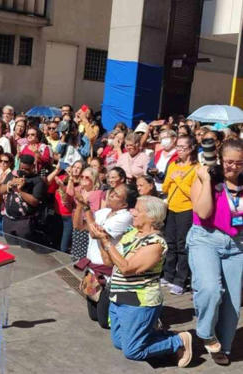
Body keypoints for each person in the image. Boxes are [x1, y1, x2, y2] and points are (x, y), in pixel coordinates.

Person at [92, 195, 192, 367]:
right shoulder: (132, 233)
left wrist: (106, 241)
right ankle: (160, 337)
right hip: (118, 297)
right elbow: (110, 262)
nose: (132, 212)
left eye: (137, 210)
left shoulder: (156, 243)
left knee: (133, 351)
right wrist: (100, 240)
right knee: (119, 343)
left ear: (152, 216)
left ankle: (178, 341)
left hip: (139, 301)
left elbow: (126, 268)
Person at [187, 139, 243, 365]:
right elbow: (202, 211)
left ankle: (224, 345)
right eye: (229, 162)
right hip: (206, 238)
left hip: (237, 244)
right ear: (221, 159)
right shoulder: (204, 177)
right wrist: (208, 180)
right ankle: (207, 333)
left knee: (232, 302)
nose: (233, 167)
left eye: (239, 163)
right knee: (210, 289)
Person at [77, 184, 134, 328]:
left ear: (124, 204)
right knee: (94, 316)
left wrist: (86, 208)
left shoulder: (125, 217)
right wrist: (79, 205)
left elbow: (95, 234)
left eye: (116, 195)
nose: (111, 195)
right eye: (112, 192)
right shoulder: (104, 211)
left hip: (108, 273)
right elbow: (80, 226)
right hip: (92, 270)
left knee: (105, 322)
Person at [161, 135, 198, 295]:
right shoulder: (173, 165)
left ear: (191, 149)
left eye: (183, 147)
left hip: (186, 209)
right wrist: (172, 179)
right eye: (178, 146)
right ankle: (168, 275)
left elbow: (193, 194)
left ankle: (181, 280)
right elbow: (164, 187)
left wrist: (180, 181)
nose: (179, 150)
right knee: (170, 243)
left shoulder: (197, 169)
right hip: (172, 207)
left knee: (183, 246)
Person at [0, 154, 46, 245]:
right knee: (11, 246)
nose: (23, 171)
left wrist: (19, 190)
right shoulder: (13, 174)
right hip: (8, 219)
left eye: (27, 169)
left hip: (25, 222)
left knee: (25, 249)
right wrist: (10, 184)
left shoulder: (38, 181)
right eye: (22, 169)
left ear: (33, 167)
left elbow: (34, 201)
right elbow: (0, 190)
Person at [47, 160, 84, 253]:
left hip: (69, 218)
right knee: (54, 243)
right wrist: (57, 170)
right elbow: (47, 181)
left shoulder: (82, 185)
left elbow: (71, 196)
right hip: (57, 214)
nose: (75, 169)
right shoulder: (63, 178)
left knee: (63, 247)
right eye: (74, 167)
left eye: (78, 168)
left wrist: (63, 185)